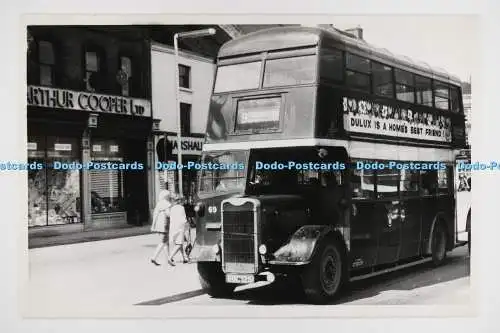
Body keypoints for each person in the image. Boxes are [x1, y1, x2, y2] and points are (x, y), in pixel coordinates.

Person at [150, 190, 173, 266]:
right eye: (169, 196)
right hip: (165, 224)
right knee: (163, 242)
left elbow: (155, 215)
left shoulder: (159, 204)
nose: (169, 197)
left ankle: (168, 259)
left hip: (159, 225)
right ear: (166, 196)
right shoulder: (167, 204)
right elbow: (168, 214)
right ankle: (154, 257)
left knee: (165, 243)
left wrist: (153, 225)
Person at [168, 193, 189, 265]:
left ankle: (184, 258)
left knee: (179, 243)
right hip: (180, 227)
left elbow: (170, 217)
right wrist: (187, 226)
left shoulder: (172, 208)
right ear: (179, 201)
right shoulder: (181, 208)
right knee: (179, 244)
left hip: (173, 227)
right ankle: (170, 257)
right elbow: (184, 219)